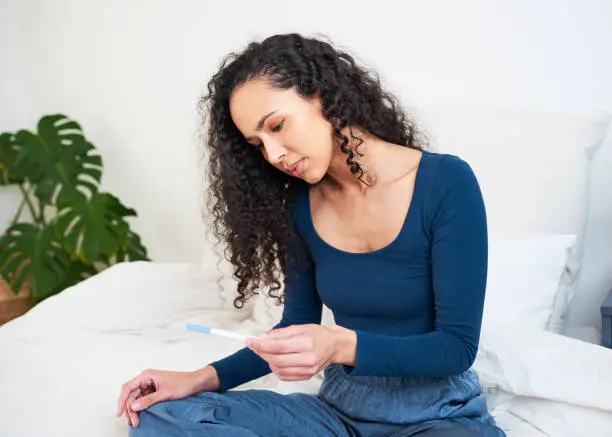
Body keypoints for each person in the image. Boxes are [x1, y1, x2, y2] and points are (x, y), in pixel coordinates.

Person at [116, 33, 506, 437]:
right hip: (337, 415)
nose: (274, 154)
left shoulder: (446, 182)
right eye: (258, 143)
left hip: (437, 417)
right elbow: (295, 327)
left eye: (277, 126)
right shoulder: (300, 206)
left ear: (322, 95)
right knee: (163, 416)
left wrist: (339, 346)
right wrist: (197, 379)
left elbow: (456, 348)